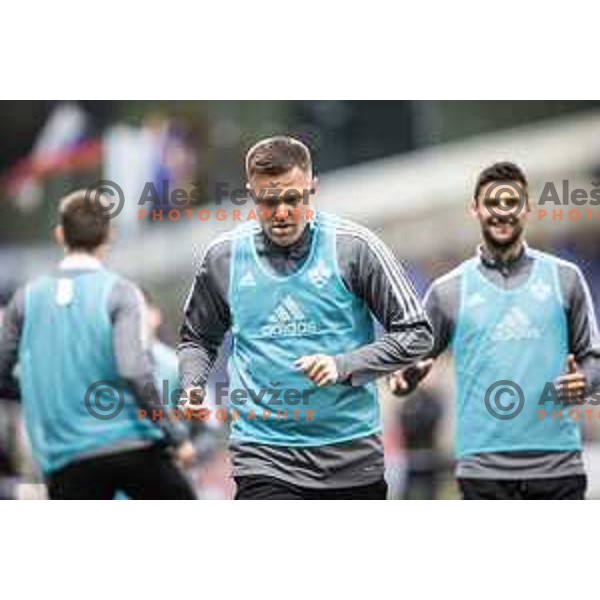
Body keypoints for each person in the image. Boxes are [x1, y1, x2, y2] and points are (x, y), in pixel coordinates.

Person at [179, 135, 433, 499]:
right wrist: (192, 383)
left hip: (350, 457)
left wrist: (343, 365)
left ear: (312, 188)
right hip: (263, 456)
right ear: (251, 194)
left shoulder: (354, 247)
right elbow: (198, 338)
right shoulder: (224, 257)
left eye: (292, 199)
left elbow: (416, 333)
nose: (281, 212)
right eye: (269, 201)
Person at [390, 162, 600, 500]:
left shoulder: (566, 278)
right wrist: (406, 378)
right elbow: (410, 361)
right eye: (492, 204)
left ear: (527, 208)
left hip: (557, 466)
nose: (502, 213)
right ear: (476, 210)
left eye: (511, 203)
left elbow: (593, 358)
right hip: (483, 471)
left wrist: (585, 382)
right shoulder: (448, 291)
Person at [0, 190, 196, 499]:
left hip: (64, 458)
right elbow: (133, 369)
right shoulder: (121, 292)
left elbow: (3, 371)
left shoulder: (24, 300)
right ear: (109, 235)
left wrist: (44, 393)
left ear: (60, 235)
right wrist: (175, 434)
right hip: (132, 445)